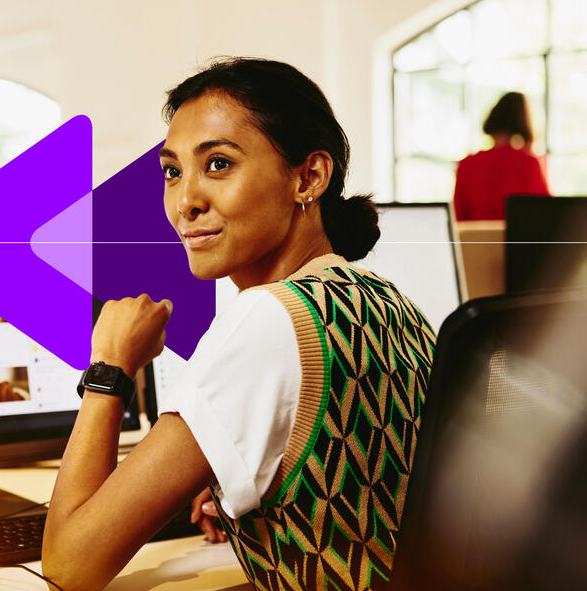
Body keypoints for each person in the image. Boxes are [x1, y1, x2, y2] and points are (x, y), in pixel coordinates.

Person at [41, 58, 436, 591]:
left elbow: (70, 565)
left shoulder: (264, 318)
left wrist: (109, 367)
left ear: (308, 177)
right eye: (172, 171)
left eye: (219, 164)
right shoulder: (390, 302)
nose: (185, 202)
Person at [453, 92, 549, 221]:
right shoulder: (528, 163)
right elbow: (548, 214)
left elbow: (457, 219)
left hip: (475, 241)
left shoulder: (467, 164)